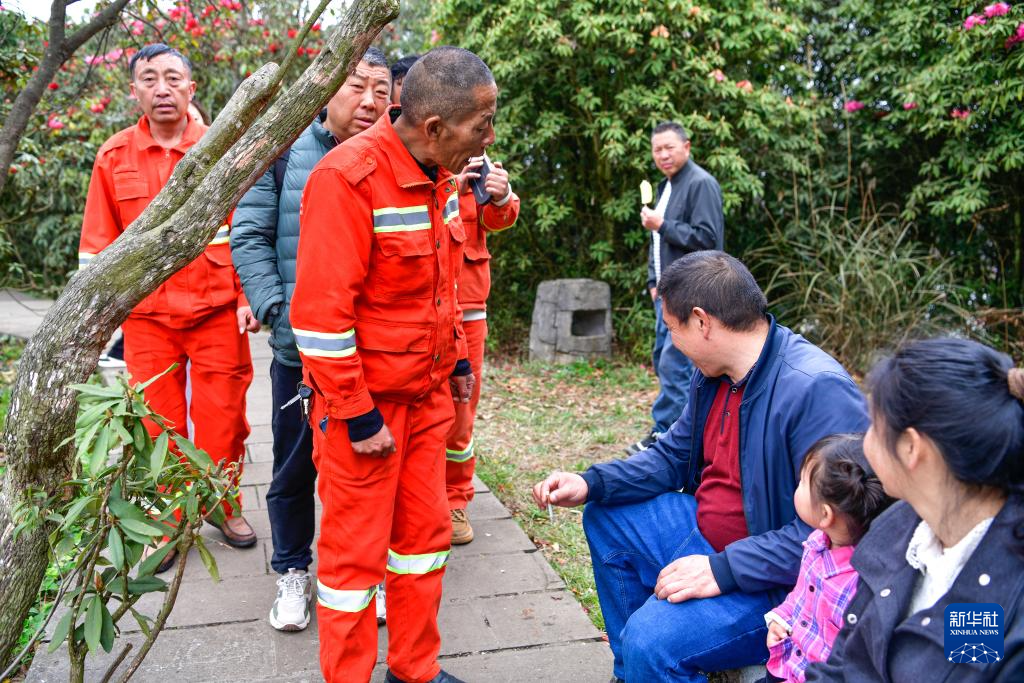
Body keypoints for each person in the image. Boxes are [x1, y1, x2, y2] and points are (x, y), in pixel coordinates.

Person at [532, 251, 869, 682]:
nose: (672, 342)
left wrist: (722, 570)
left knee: (650, 639)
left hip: (775, 584)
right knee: (607, 516)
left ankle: (649, 659)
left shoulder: (816, 391)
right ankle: (633, 672)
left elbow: (833, 534)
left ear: (702, 322)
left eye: (673, 329)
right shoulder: (714, 373)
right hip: (704, 532)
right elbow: (673, 455)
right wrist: (591, 482)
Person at [290, 46, 498, 683]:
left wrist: (456, 360)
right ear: (434, 127)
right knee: (353, 566)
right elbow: (320, 322)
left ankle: (415, 671)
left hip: (427, 399)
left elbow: (440, 283)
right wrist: (358, 417)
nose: (489, 139)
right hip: (365, 415)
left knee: (423, 546)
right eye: (482, 125)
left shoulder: (440, 175)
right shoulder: (346, 178)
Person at [78, 44, 258, 570]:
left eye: (173, 78)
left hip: (218, 312)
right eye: (150, 78)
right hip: (147, 320)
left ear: (190, 88)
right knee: (158, 427)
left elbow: (245, 229)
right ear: (134, 90)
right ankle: (170, 520)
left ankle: (223, 504)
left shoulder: (222, 149)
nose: (162, 88)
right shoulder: (114, 156)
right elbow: (98, 244)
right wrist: (99, 319)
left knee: (225, 421)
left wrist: (247, 295)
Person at [231, 47, 391, 632]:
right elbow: (248, 236)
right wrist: (279, 312)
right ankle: (293, 572)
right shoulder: (282, 152)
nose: (369, 100)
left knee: (370, 471)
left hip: (371, 355)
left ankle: (365, 574)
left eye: (381, 90)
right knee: (294, 470)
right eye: (356, 85)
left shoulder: (396, 158)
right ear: (326, 90)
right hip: (299, 354)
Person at [806, 338, 1024, 682]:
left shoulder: (994, 605)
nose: (863, 440)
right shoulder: (900, 526)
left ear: (911, 448)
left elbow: (953, 671)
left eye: (873, 427)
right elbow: (846, 663)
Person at [626, 121, 724, 456]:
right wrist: (653, 281)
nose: (663, 155)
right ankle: (680, 434)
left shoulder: (701, 183)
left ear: (687, 146)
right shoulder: (666, 185)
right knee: (664, 360)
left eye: (669, 147)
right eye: (657, 149)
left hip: (692, 292)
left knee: (676, 364)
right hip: (667, 293)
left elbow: (708, 239)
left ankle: (668, 436)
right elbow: (658, 242)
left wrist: (663, 224)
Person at [765, 434, 892, 683]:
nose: (798, 484)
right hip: (787, 663)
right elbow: (801, 595)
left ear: (825, 515)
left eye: (803, 482)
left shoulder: (858, 586)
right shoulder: (817, 542)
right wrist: (781, 618)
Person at [445, 156, 520, 545]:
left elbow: (499, 219)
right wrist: (448, 188)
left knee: (462, 409)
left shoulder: (477, 157)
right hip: (418, 309)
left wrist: (502, 193)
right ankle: (418, 497)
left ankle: (454, 499)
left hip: (469, 309)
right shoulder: (407, 153)